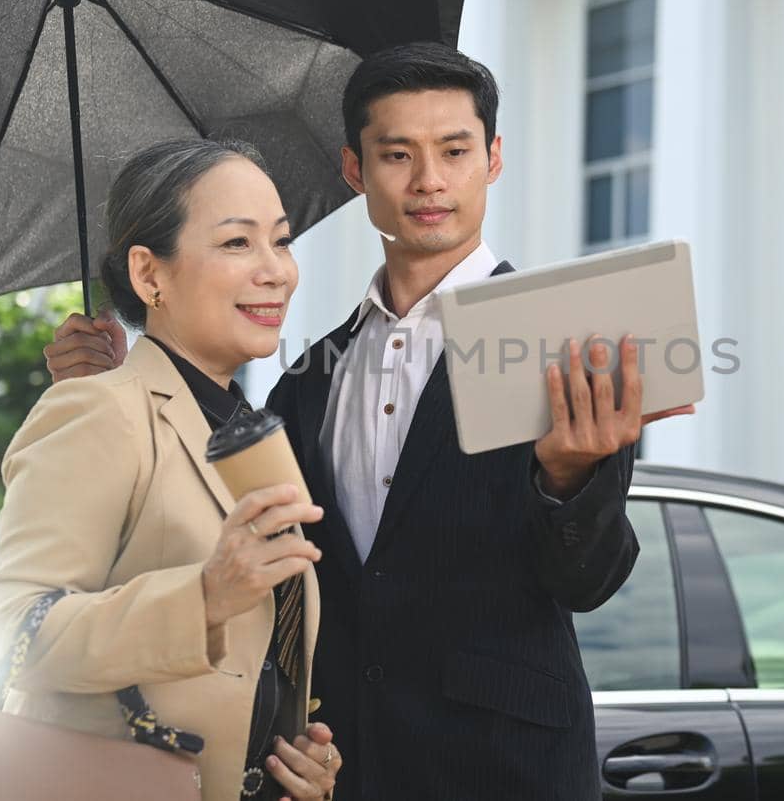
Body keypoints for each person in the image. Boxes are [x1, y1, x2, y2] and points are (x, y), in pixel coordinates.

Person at [43, 44, 694, 799]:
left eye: (455, 151)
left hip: (506, 768)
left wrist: (570, 477)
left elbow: (590, 580)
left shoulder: (562, 341)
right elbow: (209, 526)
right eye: (398, 154)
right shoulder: (305, 379)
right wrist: (116, 383)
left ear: (494, 158)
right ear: (355, 171)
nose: (429, 181)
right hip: (338, 766)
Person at [0, 138, 341, 801]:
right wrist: (203, 596)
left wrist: (289, 762)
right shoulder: (100, 411)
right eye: (238, 243)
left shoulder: (248, 434)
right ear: (150, 275)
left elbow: (255, 667)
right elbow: (14, 632)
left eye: (281, 241)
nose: (277, 271)